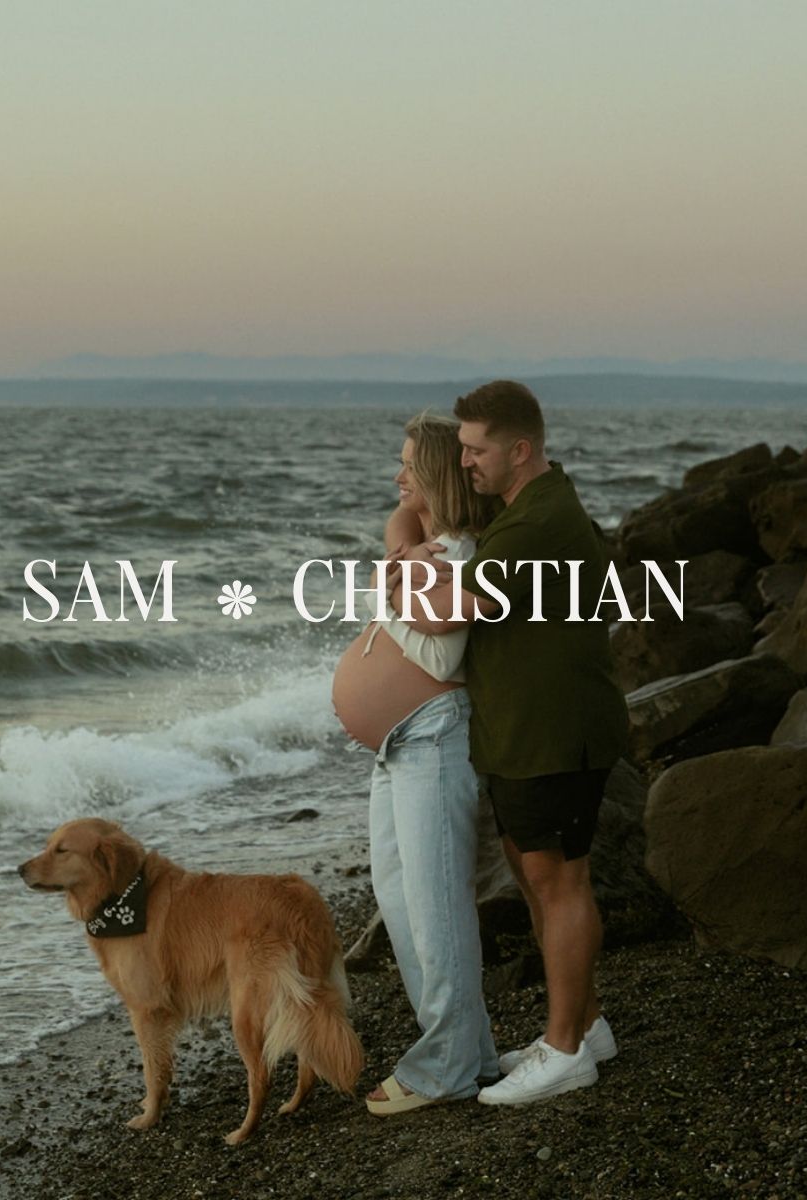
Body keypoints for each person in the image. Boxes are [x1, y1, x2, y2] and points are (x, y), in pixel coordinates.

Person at [389, 380, 629, 1106]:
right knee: (536, 878)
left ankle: (564, 1051)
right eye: (459, 449)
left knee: (560, 883)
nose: (463, 463)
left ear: (519, 450)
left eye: (475, 449)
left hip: (554, 731)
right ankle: (583, 1028)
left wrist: (404, 570)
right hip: (526, 733)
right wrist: (412, 543)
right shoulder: (531, 504)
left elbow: (441, 616)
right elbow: (415, 507)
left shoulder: (536, 524)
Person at [329, 412, 501, 1115]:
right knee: (400, 900)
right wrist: (401, 563)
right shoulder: (426, 547)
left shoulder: (458, 554)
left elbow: (440, 654)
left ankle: (446, 1068)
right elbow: (398, 521)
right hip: (398, 745)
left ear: (436, 475)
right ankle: (472, 1051)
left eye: (409, 465)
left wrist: (397, 585)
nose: (398, 476)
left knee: (436, 910)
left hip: (433, 738)